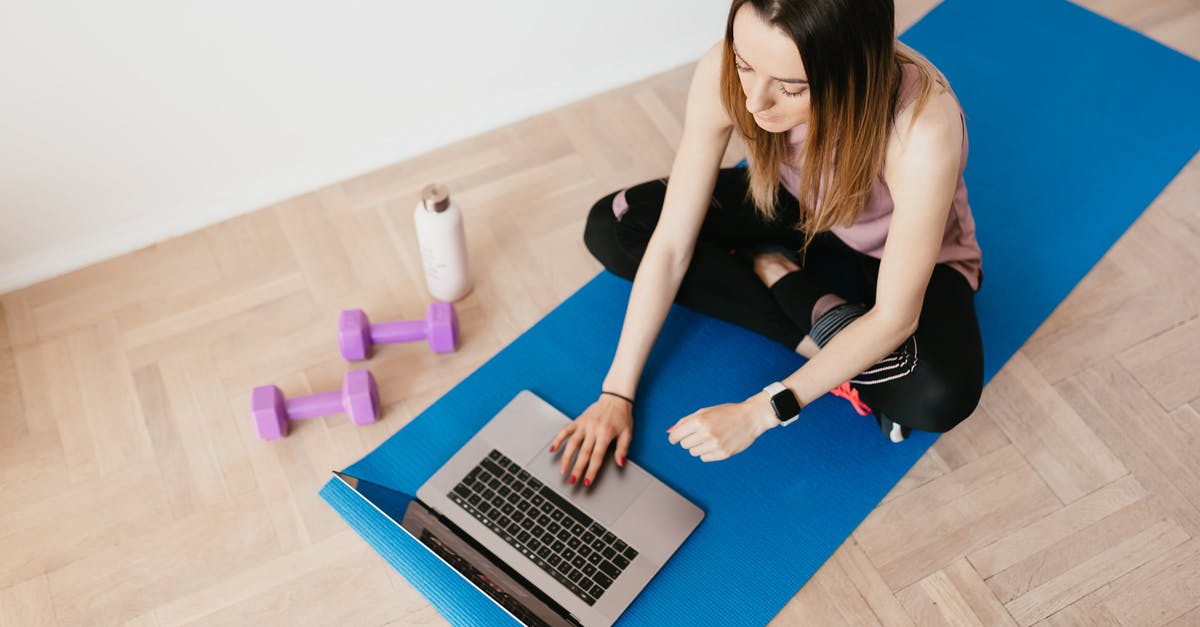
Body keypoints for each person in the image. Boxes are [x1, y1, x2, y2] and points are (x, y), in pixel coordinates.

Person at [550, 0, 984, 488]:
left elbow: (894, 317)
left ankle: (791, 283)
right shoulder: (726, 72)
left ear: (851, 77)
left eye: (791, 87)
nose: (755, 103)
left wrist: (760, 411)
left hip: (892, 251)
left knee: (937, 395)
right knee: (615, 226)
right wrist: (616, 395)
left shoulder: (921, 124)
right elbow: (672, 242)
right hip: (798, 210)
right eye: (744, 64)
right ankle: (822, 331)